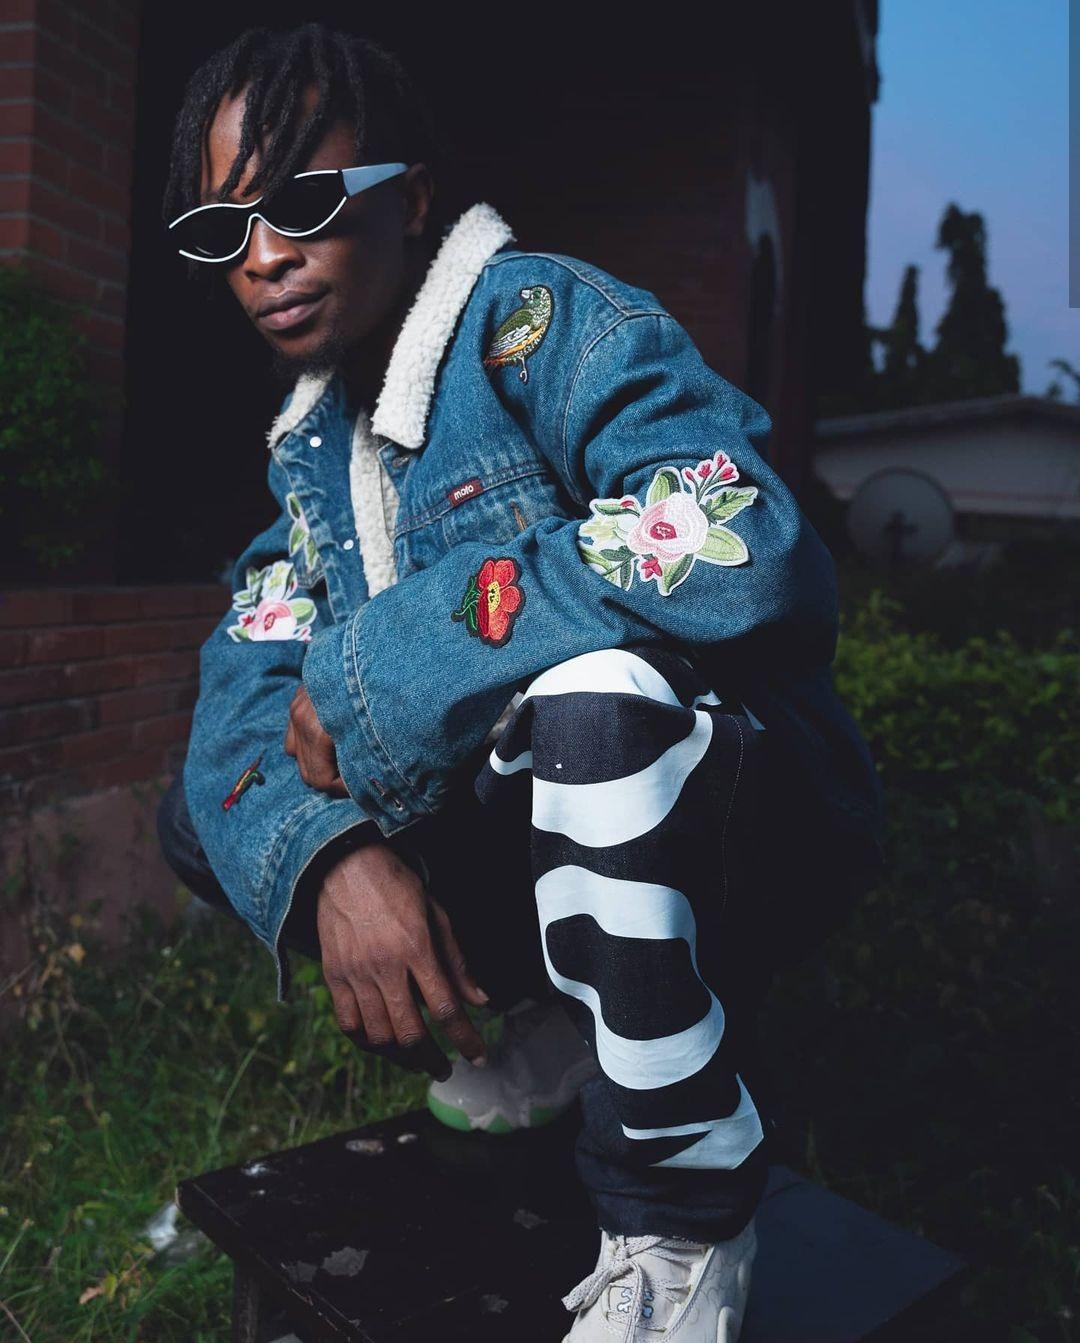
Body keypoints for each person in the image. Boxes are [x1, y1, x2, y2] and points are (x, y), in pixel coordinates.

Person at [156, 23, 885, 1341]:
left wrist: (386, 663)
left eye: (304, 203)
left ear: (411, 198)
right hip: (559, 825)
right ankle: (553, 1031)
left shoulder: (541, 323)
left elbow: (733, 529)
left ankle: (684, 1209)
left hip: (748, 822)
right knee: (215, 809)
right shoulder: (311, 452)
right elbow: (240, 699)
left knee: (591, 699)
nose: (264, 256)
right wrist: (332, 861)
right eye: (226, 229)